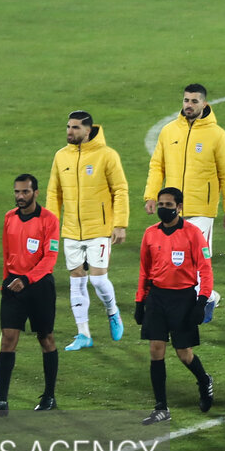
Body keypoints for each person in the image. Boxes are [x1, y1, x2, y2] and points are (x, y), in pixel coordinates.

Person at [46, 110, 130, 350]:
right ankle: (83, 334)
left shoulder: (107, 155)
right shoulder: (61, 156)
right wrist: (52, 226)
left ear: (87, 129)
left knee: (98, 279)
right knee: (76, 281)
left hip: (99, 229)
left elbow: (120, 190)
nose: (69, 132)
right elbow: (54, 193)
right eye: (68, 127)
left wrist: (120, 224)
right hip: (71, 230)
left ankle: (112, 311)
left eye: (74, 128)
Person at [134, 188, 215, 425]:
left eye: (168, 205)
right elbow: (144, 271)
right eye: (160, 204)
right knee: (155, 350)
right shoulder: (150, 234)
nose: (163, 209)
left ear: (179, 207)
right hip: (157, 298)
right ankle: (161, 407)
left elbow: (206, 270)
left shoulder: (193, 234)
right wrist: (140, 301)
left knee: (184, 353)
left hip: (183, 299)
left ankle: (204, 380)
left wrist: (202, 301)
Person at [0, 174, 61, 416]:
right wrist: (6, 281)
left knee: (45, 338)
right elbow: (7, 252)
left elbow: (50, 257)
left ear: (36, 193)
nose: (20, 197)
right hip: (12, 286)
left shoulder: (49, 220)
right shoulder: (9, 218)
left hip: (39, 288)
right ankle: (2, 401)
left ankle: (49, 396)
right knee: (8, 339)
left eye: (25, 192)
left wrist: (27, 279)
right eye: (17, 192)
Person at [143, 83, 225, 249]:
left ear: (204, 104)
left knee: (199, 258)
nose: (189, 105)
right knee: (174, 258)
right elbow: (157, 166)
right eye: (186, 100)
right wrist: (151, 195)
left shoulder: (218, 135)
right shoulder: (168, 131)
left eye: (194, 101)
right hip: (173, 207)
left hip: (202, 209)